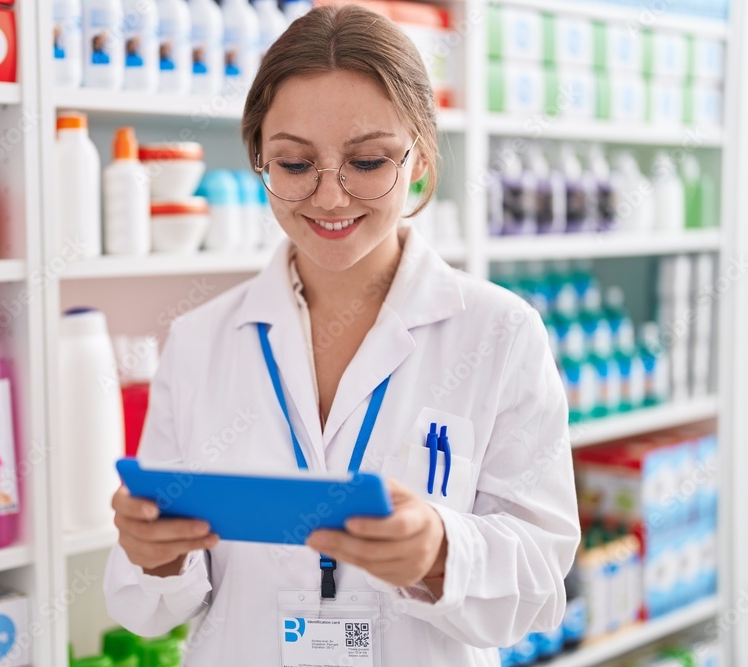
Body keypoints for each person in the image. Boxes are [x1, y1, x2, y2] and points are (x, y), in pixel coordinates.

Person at [105, 6, 580, 665]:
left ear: (420, 158)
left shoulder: (499, 333)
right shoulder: (199, 340)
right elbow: (143, 607)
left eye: (366, 160)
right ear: (258, 160)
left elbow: (540, 582)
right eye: (295, 164)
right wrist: (153, 558)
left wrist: (442, 551)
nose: (329, 197)